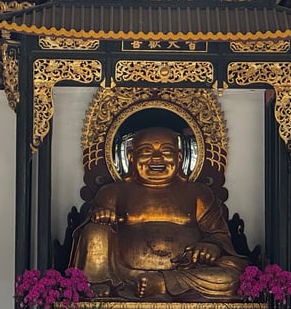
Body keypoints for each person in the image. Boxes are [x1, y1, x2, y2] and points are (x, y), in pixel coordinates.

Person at [69, 126, 247, 298]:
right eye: (146, 151)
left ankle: (161, 283)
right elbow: (96, 233)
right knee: (94, 231)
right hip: (124, 275)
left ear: (179, 157)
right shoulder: (113, 192)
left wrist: (212, 246)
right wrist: (103, 217)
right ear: (131, 157)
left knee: (231, 278)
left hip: (187, 270)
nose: (156, 158)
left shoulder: (198, 193)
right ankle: (99, 282)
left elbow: (219, 235)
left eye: (167, 151)